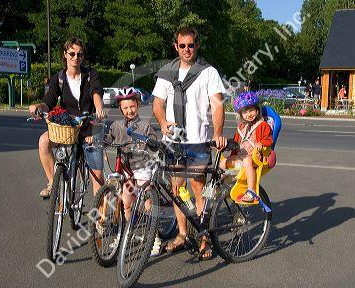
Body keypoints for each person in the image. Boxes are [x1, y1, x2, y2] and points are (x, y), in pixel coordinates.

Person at [152, 26, 227, 261]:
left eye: (190, 45)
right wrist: (163, 121)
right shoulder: (167, 73)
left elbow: (218, 105)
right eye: (182, 45)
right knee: (176, 189)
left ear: (197, 45)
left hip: (196, 139)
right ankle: (183, 234)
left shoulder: (208, 72)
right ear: (176, 46)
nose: (186, 49)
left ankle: (204, 237)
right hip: (174, 141)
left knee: (197, 189)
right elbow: (157, 104)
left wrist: (217, 133)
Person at [29, 37, 105, 198]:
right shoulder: (59, 78)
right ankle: (52, 183)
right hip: (67, 128)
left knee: (97, 175)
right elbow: (48, 102)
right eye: (72, 54)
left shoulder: (91, 74)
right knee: (43, 141)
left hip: (89, 126)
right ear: (65, 54)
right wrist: (38, 107)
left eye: (79, 54)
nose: (75, 58)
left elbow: (96, 92)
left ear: (83, 57)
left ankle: (99, 218)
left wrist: (99, 109)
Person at [104, 87, 161, 256]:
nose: (129, 111)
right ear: (121, 109)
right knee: (126, 203)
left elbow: (154, 142)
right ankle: (128, 233)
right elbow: (108, 139)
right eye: (125, 108)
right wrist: (97, 135)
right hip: (126, 170)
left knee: (146, 201)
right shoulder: (116, 125)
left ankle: (155, 237)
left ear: (137, 105)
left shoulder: (144, 125)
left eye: (132, 107)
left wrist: (149, 143)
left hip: (142, 166)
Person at [220, 91, 273, 202]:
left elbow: (269, 140)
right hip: (240, 156)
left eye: (251, 110)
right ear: (241, 114)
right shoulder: (241, 127)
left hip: (255, 157)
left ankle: (251, 191)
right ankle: (222, 185)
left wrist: (261, 143)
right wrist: (226, 145)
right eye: (245, 112)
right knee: (223, 162)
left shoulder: (263, 125)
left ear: (257, 110)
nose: (249, 114)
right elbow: (235, 142)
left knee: (247, 161)